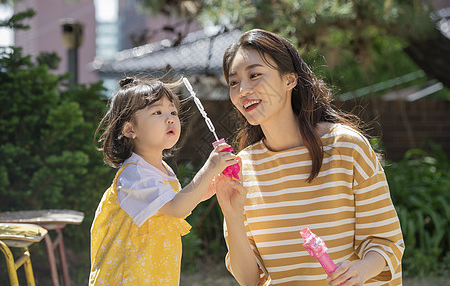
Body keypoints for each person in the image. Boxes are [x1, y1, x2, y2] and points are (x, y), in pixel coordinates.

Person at [215, 29, 404, 286]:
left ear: (290, 79)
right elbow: (250, 280)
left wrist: (359, 270)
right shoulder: (241, 170)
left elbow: (386, 242)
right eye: (234, 82)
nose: (243, 90)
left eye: (255, 75)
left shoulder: (346, 147)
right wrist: (232, 216)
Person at [89, 77, 238, 285]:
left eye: (173, 112)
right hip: (127, 277)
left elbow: (176, 205)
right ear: (130, 129)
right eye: (157, 112)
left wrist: (209, 185)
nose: (169, 119)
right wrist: (208, 169)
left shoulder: (161, 170)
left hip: (153, 274)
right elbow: (176, 208)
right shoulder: (135, 174)